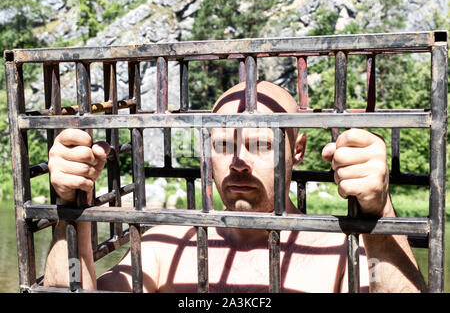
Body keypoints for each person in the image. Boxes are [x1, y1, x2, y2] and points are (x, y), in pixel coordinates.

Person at [43, 81, 427, 293]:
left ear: (297, 151)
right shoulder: (165, 247)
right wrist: (72, 207)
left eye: (260, 144)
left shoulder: (344, 256)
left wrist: (380, 214)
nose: (238, 161)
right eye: (223, 144)